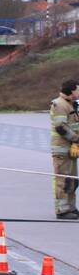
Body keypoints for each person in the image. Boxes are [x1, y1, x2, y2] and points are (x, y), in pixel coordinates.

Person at [49, 79, 79, 220]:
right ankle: (62, 210)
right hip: (61, 149)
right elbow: (60, 127)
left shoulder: (71, 104)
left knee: (72, 180)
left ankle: (71, 208)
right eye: (78, 90)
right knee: (63, 180)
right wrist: (76, 139)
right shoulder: (59, 104)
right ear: (72, 90)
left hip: (71, 148)